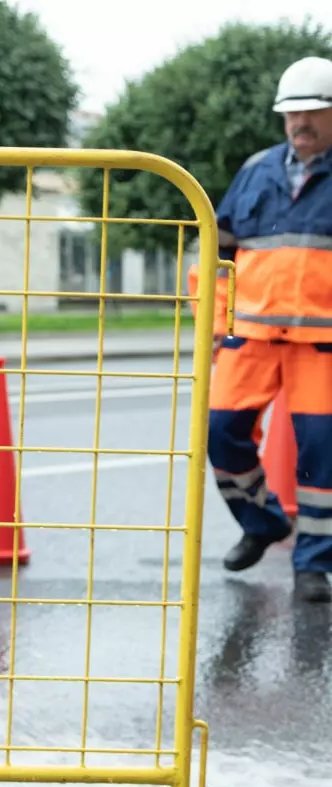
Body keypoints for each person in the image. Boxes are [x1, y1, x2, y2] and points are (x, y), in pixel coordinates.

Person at [189, 56, 332, 603]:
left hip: (320, 346)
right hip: (248, 337)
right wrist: (214, 325)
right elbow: (217, 252)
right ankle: (263, 522)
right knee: (221, 433)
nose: (301, 122)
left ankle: (314, 564)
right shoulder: (256, 171)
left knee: (322, 456)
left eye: (314, 112)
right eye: (292, 112)